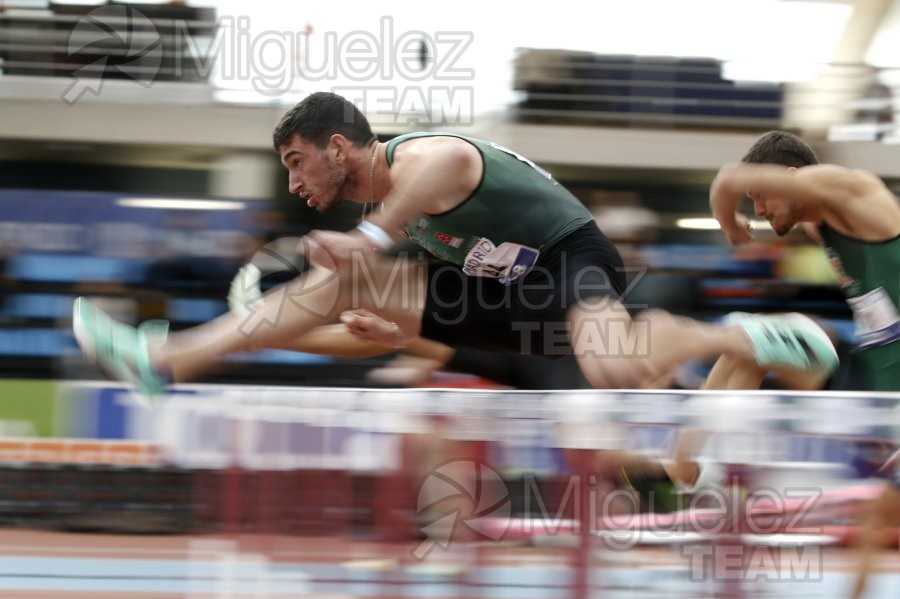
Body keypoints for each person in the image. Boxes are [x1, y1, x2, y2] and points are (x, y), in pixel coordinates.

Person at [71, 92, 838, 398]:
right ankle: (162, 358)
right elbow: (438, 297)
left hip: (570, 258)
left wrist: (371, 236)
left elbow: (454, 164)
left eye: (298, 162)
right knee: (342, 289)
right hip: (505, 291)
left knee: (615, 363)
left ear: (339, 146)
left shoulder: (417, 159)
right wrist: (388, 320)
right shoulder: (403, 218)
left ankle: (748, 335)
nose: (296, 184)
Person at [707, 130, 900, 391]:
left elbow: (729, 179)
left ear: (792, 178)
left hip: (888, 368)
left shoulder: (852, 188)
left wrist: (729, 225)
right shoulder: (819, 226)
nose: (758, 211)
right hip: (873, 361)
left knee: (754, 338)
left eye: (760, 195)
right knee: (748, 346)